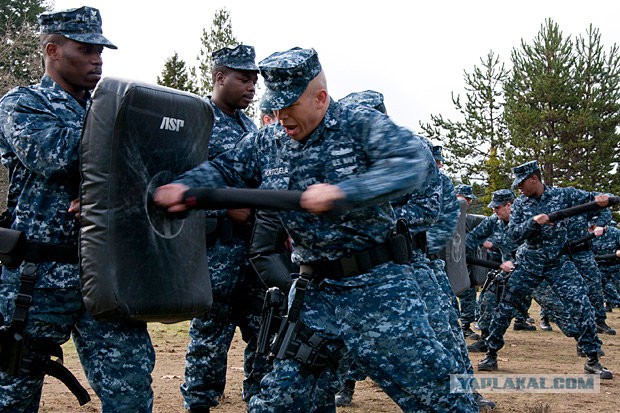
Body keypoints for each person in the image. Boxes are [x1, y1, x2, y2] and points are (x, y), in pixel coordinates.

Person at [155, 47, 477, 412]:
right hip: (314, 296)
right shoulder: (269, 142)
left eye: (290, 106)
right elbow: (226, 169)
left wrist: (344, 193)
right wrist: (185, 187)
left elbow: (411, 163)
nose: (281, 117)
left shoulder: (357, 124)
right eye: (275, 107)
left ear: (320, 98)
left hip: (377, 290)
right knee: (280, 401)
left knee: (439, 398)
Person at [0, 6, 155, 412]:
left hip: (105, 273)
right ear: (52, 50)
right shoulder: (24, 104)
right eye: (86, 50)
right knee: (13, 391)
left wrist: (111, 192)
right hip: (38, 278)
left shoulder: (111, 110)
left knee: (132, 391)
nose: (97, 59)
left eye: (100, 51)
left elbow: (158, 163)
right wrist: (126, 160)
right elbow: (57, 155)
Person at [180, 45, 268, 413]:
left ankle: (260, 400)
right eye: (244, 79)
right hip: (215, 251)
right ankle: (198, 402)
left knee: (263, 330)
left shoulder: (250, 127)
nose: (252, 87)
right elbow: (179, 179)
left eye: (254, 81)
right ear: (219, 77)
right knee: (209, 335)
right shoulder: (197, 119)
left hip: (254, 253)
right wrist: (225, 206)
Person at [478, 160, 613, 379]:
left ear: (534, 179)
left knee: (581, 304)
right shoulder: (521, 204)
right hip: (529, 263)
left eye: (522, 183)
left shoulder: (563, 195)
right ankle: (491, 353)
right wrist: (534, 222)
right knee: (505, 306)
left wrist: (602, 199)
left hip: (558, 263)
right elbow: (514, 235)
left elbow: (594, 197)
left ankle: (592, 359)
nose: (519, 188)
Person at [454, 184, 481, 339]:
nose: (469, 202)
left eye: (470, 199)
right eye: (467, 198)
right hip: (449, 262)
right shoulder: (447, 215)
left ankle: (465, 325)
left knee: (468, 292)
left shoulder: (467, 218)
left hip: (464, 262)